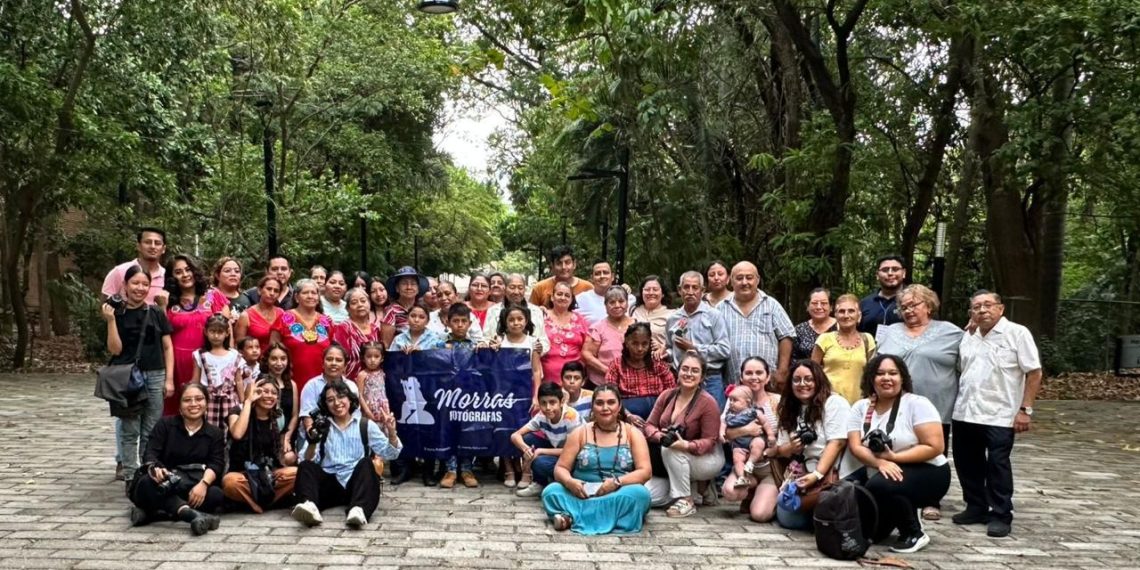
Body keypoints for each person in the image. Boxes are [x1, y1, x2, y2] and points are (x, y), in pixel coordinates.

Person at [953, 291, 1042, 538]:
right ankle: (975, 506)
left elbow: (1034, 373)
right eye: (976, 307)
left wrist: (1025, 409)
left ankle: (1001, 513)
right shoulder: (968, 336)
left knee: (997, 464)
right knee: (967, 462)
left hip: (1000, 413)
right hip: (966, 411)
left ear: (1000, 308)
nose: (982, 310)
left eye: (988, 305)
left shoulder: (1017, 333)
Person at [845, 354, 950, 554]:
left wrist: (893, 458)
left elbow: (934, 446)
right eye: (880, 374)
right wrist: (881, 463)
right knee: (872, 534)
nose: (887, 378)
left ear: (902, 378)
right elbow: (856, 447)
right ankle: (901, 512)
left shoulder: (917, 404)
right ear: (870, 378)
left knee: (880, 484)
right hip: (884, 470)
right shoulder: (860, 407)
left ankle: (913, 533)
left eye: (893, 373)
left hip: (929, 470)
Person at [876, 283, 962, 521]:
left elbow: (967, 365)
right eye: (904, 307)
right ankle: (901, 493)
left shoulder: (951, 332)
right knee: (899, 446)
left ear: (929, 305)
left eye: (914, 305)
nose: (909, 310)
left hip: (936, 404)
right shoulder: (890, 331)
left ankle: (931, 499)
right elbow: (876, 362)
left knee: (933, 451)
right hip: (896, 405)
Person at [541, 385, 653, 535]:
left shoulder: (632, 433)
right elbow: (560, 468)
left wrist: (616, 482)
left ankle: (572, 517)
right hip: (582, 494)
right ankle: (609, 519)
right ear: (592, 407)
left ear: (619, 406)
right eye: (599, 403)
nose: (605, 408)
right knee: (551, 491)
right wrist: (570, 482)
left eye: (611, 402)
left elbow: (645, 472)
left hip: (618, 492)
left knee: (640, 494)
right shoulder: (580, 432)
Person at [291, 381, 403, 529]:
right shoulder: (322, 426)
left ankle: (359, 510)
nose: (337, 403)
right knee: (305, 466)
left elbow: (391, 454)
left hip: (355, 485)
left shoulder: (365, 425)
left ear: (350, 399)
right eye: (330, 400)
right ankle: (310, 506)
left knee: (366, 463)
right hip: (330, 483)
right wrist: (313, 441)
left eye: (341, 397)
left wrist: (392, 432)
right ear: (325, 405)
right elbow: (307, 459)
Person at [103, 265, 175, 479]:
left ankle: (147, 471)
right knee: (129, 428)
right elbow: (115, 349)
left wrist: (169, 379)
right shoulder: (117, 313)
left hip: (155, 374)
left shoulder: (155, 312)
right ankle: (130, 474)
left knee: (151, 428)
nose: (140, 288)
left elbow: (168, 346)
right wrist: (111, 321)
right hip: (126, 377)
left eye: (145, 284)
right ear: (125, 285)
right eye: (135, 283)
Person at [127, 383, 223, 536]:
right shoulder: (165, 424)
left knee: (216, 494)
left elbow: (216, 463)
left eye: (199, 399)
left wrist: (203, 484)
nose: (193, 404)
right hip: (163, 482)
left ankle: (153, 513)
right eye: (187, 400)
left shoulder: (215, 433)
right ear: (179, 404)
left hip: (190, 484)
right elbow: (150, 453)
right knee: (146, 484)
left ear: (206, 403)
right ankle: (190, 515)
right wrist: (156, 469)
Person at [772, 360, 852, 530]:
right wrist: (791, 449)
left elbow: (837, 443)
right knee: (786, 517)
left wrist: (817, 474)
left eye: (809, 379)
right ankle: (821, 516)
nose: (802, 384)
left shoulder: (834, 403)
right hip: (806, 470)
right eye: (797, 380)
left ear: (818, 380)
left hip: (835, 471)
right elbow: (780, 449)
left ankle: (830, 515)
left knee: (799, 514)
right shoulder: (789, 407)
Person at [643, 351, 725, 518]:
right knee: (647, 497)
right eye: (685, 369)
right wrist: (659, 436)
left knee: (671, 449)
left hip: (706, 458)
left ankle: (686, 499)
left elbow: (710, 441)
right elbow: (649, 425)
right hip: (672, 460)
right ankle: (695, 489)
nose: (689, 374)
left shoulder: (708, 402)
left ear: (702, 377)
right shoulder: (667, 395)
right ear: (678, 372)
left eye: (695, 371)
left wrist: (686, 445)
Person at [490, 303, 546, 488]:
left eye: (520, 319)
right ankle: (508, 467)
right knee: (503, 429)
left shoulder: (532, 343)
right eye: (511, 319)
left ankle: (524, 467)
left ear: (527, 321)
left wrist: (536, 396)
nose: (516, 323)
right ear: (505, 322)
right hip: (502, 394)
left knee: (522, 430)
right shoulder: (499, 341)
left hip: (524, 394)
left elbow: (537, 371)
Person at [721, 357, 782, 522]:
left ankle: (768, 497)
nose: (754, 377)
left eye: (759, 373)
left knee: (759, 515)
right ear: (741, 377)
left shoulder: (777, 401)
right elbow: (725, 435)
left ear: (768, 377)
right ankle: (751, 489)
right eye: (748, 373)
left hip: (769, 467)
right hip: (745, 463)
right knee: (730, 491)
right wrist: (747, 430)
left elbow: (783, 438)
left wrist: (768, 450)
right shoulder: (734, 399)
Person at [223, 379, 299, 512]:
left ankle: (263, 501)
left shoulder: (277, 418)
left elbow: (278, 455)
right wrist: (248, 401)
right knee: (230, 482)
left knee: (298, 473)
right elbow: (237, 434)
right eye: (263, 391)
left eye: (273, 393)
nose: (269, 396)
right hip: (243, 474)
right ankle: (253, 504)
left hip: (267, 473)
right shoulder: (237, 411)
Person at [717, 261, 795, 388]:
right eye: (739, 278)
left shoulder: (771, 304)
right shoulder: (721, 308)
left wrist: (782, 371)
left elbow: (786, 336)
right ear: (731, 281)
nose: (744, 282)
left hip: (768, 382)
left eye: (749, 277)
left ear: (757, 280)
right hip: (733, 383)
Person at [665, 271, 731, 410]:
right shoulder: (673, 319)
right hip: (682, 380)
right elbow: (670, 347)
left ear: (702, 290)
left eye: (695, 288)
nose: (690, 292)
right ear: (679, 290)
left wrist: (695, 348)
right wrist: (667, 354)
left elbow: (724, 350)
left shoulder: (714, 316)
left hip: (710, 380)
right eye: (686, 287)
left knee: (713, 424)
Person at [511, 382, 585, 498]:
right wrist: (527, 451)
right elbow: (515, 436)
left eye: (552, 402)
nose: (548, 408)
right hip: (557, 451)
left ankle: (562, 480)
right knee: (527, 439)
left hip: (577, 459)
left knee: (539, 461)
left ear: (561, 402)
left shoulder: (571, 417)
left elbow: (572, 451)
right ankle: (540, 483)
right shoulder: (542, 416)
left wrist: (539, 451)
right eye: (543, 403)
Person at [161, 254, 212, 417]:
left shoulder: (212, 296)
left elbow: (227, 333)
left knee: (206, 408)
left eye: (188, 269)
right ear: (172, 277)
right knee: (175, 409)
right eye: (178, 272)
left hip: (207, 363)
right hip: (176, 363)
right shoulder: (167, 301)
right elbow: (162, 333)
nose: (185, 275)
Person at [270, 279, 332, 393]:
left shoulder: (325, 321)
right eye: (305, 293)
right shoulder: (284, 318)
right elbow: (272, 351)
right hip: (291, 380)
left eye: (314, 293)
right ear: (296, 297)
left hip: (322, 381)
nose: (310, 296)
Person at [812, 293, 876, 404]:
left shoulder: (867, 339)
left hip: (860, 403)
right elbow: (813, 372)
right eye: (841, 311)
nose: (846, 315)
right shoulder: (824, 339)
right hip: (828, 402)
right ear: (835, 315)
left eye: (851, 311)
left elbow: (873, 374)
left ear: (859, 315)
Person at [604, 323, 675, 422]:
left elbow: (672, 393)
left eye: (644, 344)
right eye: (635, 343)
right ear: (627, 342)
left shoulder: (658, 364)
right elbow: (611, 395)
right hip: (628, 415)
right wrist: (627, 415)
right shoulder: (616, 366)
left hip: (659, 414)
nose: (640, 349)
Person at [191, 314, 244, 433]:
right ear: (206, 332)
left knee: (229, 431)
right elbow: (195, 380)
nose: (216, 336)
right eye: (212, 331)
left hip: (230, 401)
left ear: (227, 333)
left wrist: (242, 402)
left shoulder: (234, 355)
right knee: (207, 431)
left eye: (220, 332)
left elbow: (239, 380)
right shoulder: (200, 355)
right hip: (208, 400)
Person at [298, 345, 361, 440]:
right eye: (329, 359)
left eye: (339, 360)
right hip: (316, 435)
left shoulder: (351, 386)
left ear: (345, 366)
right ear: (323, 364)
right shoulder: (312, 385)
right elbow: (307, 417)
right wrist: (314, 436)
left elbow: (355, 415)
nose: (334, 363)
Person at [722, 385, 775, 489]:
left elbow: (765, 423)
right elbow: (723, 424)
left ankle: (751, 462)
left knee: (758, 443)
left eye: (735, 400)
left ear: (747, 401)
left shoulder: (753, 412)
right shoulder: (730, 414)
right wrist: (721, 432)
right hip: (739, 444)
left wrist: (770, 434)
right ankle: (742, 477)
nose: (731, 403)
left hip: (753, 439)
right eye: (730, 400)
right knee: (737, 459)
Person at [581, 285, 636, 386]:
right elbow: (587, 354)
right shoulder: (598, 328)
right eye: (612, 302)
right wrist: (608, 371)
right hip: (602, 383)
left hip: (633, 381)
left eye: (621, 301)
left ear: (627, 304)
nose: (617, 305)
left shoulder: (637, 325)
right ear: (605, 305)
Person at [102, 226, 167, 305]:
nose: (153, 246)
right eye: (147, 242)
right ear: (138, 246)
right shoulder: (120, 271)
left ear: (163, 249)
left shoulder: (167, 276)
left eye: (157, 243)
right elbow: (104, 306)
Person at [541, 281, 590, 383]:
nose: (563, 298)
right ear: (552, 297)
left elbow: (587, 349)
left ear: (571, 299)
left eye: (567, 295)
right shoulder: (541, 317)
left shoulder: (580, 320)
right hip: (545, 378)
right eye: (559, 294)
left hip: (573, 379)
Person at [485, 274, 549, 348]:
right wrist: (490, 344)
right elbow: (485, 338)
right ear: (505, 289)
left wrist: (538, 348)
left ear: (524, 290)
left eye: (520, 288)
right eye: (512, 287)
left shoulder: (536, 311)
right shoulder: (493, 311)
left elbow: (544, 341)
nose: (516, 292)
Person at [333, 287, 381, 380]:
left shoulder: (376, 329)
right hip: (350, 381)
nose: (360, 305)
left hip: (375, 382)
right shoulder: (343, 328)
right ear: (347, 308)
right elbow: (339, 358)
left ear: (369, 303)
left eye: (363, 301)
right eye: (354, 302)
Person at [263, 342, 299, 463]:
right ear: (267, 360)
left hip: (286, 435)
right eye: (274, 359)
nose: (279, 363)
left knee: (289, 458)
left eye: (283, 359)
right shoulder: (260, 382)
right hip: (265, 435)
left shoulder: (292, 385)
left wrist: (286, 438)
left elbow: (294, 415)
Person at [235, 276, 286, 355]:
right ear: (259, 290)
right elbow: (238, 347)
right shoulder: (246, 316)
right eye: (269, 289)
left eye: (276, 291)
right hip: (254, 364)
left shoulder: (282, 313)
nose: (272, 293)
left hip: (277, 363)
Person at [529, 245, 593, 308]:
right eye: (559, 263)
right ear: (552, 266)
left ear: (574, 264)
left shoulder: (588, 288)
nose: (563, 267)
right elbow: (530, 314)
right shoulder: (540, 288)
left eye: (567, 262)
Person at [381, 266, 431, 347]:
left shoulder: (422, 309)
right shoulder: (391, 311)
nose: (409, 287)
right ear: (397, 288)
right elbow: (386, 344)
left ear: (418, 288)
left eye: (413, 284)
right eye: (404, 283)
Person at [859, 255, 907, 336]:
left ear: (904, 273)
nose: (890, 273)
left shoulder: (915, 301)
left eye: (895, 269)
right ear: (877, 275)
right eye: (885, 270)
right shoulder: (864, 303)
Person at [630, 275, 674, 360]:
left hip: (659, 362)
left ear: (663, 293)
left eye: (655, 289)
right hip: (633, 362)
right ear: (642, 292)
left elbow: (677, 345)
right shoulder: (633, 310)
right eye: (647, 289)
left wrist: (663, 347)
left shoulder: (672, 314)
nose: (651, 293)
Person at [575, 260, 629, 325]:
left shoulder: (627, 297)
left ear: (612, 277)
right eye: (597, 273)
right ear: (592, 278)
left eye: (605, 272)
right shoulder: (580, 300)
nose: (602, 276)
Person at [793, 288, 837, 360]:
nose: (819, 307)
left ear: (831, 307)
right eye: (814, 303)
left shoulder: (841, 327)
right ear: (807, 306)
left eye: (824, 303)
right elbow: (793, 359)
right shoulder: (799, 330)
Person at [354, 341, 388, 425]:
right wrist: (367, 412)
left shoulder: (383, 372)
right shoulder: (362, 375)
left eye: (376, 356)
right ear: (363, 358)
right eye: (369, 356)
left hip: (384, 409)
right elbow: (360, 395)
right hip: (369, 409)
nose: (372, 360)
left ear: (382, 358)